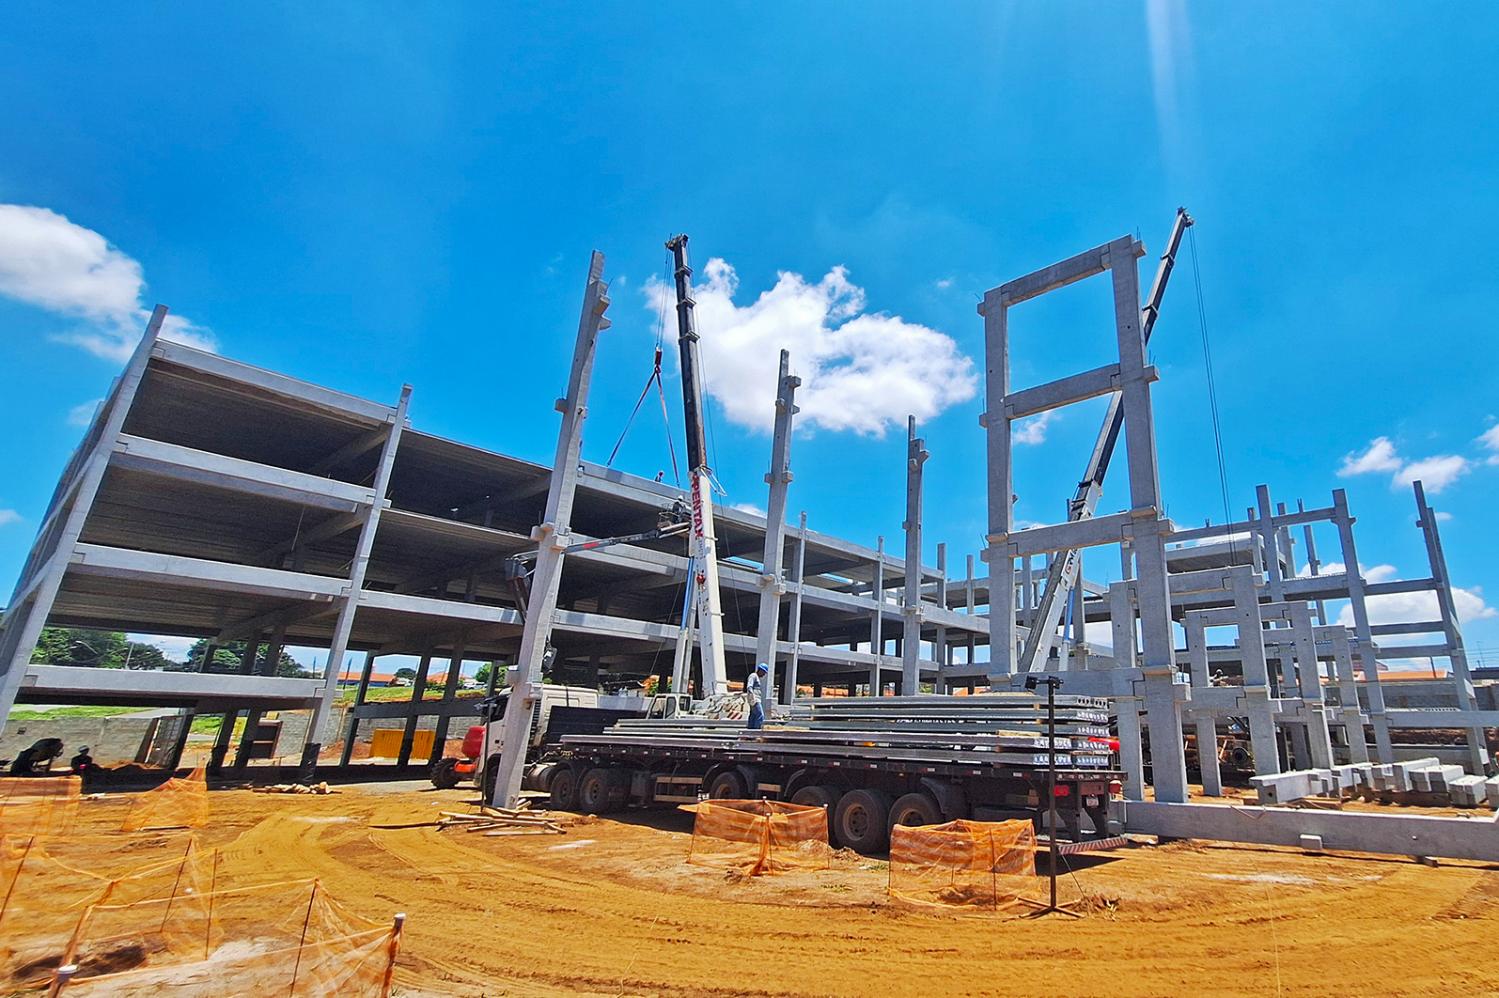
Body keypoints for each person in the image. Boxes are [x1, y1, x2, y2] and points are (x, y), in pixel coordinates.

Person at [745, 663, 769, 730]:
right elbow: (749, 686)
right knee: (760, 715)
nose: (764, 674)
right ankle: (756, 731)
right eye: (764, 672)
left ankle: (750, 731)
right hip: (755, 699)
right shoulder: (753, 676)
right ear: (760, 670)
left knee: (753, 715)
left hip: (755, 699)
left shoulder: (757, 677)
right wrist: (752, 697)